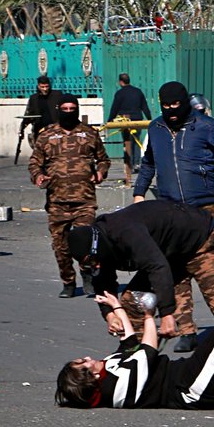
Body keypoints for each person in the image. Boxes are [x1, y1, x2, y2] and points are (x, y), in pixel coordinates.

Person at [55, 292, 214, 415]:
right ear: (90, 378)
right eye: (84, 364)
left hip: (188, 372)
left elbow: (129, 343)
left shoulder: (110, 367)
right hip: (190, 391)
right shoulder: (116, 389)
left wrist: (117, 307)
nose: (88, 359)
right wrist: (148, 315)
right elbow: (147, 349)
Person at [133, 81, 214, 352]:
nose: (171, 110)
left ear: (184, 103)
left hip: (202, 211)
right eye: (165, 105)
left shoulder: (204, 125)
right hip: (171, 213)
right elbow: (148, 164)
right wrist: (138, 195)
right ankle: (187, 330)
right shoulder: (156, 128)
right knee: (176, 273)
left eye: (175, 105)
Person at [67, 200, 214, 347]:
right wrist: (110, 314)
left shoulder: (126, 232)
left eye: (92, 260)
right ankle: (137, 361)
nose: (94, 265)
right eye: (87, 264)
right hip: (167, 253)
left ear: (97, 247)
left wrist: (167, 314)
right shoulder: (98, 249)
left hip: (201, 241)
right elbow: (103, 281)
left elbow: (157, 268)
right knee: (132, 303)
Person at [28, 93, 110, 299]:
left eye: (72, 109)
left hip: (84, 200)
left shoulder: (89, 134)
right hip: (57, 201)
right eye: (64, 109)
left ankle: (88, 276)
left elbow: (103, 159)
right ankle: (68, 282)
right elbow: (34, 163)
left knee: (87, 243)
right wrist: (38, 176)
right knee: (61, 246)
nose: (68, 112)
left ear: (77, 109)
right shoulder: (47, 135)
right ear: (58, 110)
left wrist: (100, 172)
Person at [107, 73, 152, 170]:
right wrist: (149, 119)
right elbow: (145, 107)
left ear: (120, 82)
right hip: (137, 120)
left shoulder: (119, 93)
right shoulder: (138, 92)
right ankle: (137, 163)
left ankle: (129, 164)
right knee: (136, 141)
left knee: (127, 141)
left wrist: (109, 121)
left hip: (125, 121)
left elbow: (114, 108)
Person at [21, 76, 64, 146]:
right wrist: (22, 128)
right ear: (38, 86)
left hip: (55, 130)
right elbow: (28, 114)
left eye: (47, 86)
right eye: (42, 87)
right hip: (40, 130)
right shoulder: (34, 98)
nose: (45, 89)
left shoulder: (57, 95)